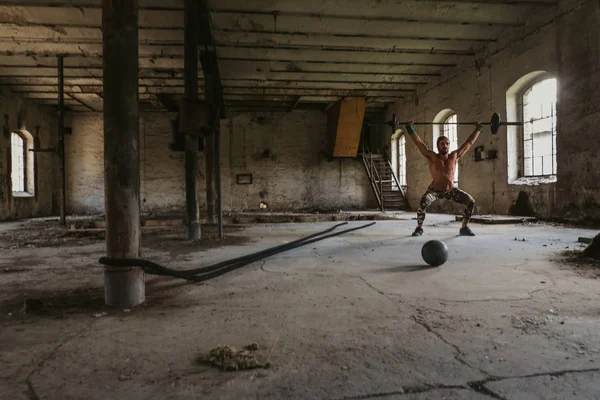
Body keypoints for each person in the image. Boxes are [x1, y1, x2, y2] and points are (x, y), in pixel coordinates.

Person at [405, 120, 483, 236]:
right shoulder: (431, 156)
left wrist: (478, 129)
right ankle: (419, 228)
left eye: (447, 143)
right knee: (423, 202)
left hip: (450, 191)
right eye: (442, 144)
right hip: (434, 191)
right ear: (438, 146)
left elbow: (469, 142)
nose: (445, 146)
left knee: (471, 202)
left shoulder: (454, 156)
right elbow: (418, 143)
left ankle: (464, 227)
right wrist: (409, 128)